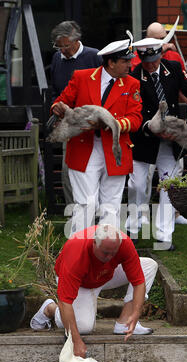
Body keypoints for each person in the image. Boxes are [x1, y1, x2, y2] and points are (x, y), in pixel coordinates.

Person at [51, 32, 142, 235]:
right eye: (126, 61)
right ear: (111, 62)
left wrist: (109, 123)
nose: (130, 66)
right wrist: (56, 107)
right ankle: (79, 249)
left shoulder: (132, 84)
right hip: (84, 148)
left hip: (115, 150)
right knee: (85, 203)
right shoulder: (82, 77)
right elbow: (62, 101)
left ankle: (106, 252)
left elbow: (135, 119)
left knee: (112, 204)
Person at [30, 224, 158, 357]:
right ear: (94, 243)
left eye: (113, 253)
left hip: (106, 274)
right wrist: (75, 341)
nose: (109, 257)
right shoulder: (75, 252)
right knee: (83, 328)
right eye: (105, 253)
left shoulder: (124, 243)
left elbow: (139, 282)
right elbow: (65, 302)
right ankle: (50, 309)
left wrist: (136, 312)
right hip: (81, 283)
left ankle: (125, 323)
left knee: (149, 266)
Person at [126, 37, 187, 250]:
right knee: (136, 185)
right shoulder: (134, 77)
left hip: (171, 142)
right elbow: (135, 113)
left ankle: (164, 236)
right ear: (140, 59)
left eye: (155, 59)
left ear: (161, 54)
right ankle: (132, 230)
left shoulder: (173, 68)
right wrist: (154, 130)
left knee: (169, 187)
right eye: (148, 61)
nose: (152, 65)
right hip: (144, 140)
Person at [50, 21, 102, 206]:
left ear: (76, 40)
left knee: (94, 171)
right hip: (69, 123)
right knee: (68, 170)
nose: (61, 50)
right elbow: (55, 90)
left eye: (65, 46)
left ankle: (98, 215)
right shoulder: (57, 59)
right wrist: (56, 108)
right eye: (58, 46)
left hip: (94, 124)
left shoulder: (95, 56)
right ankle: (75, 214)